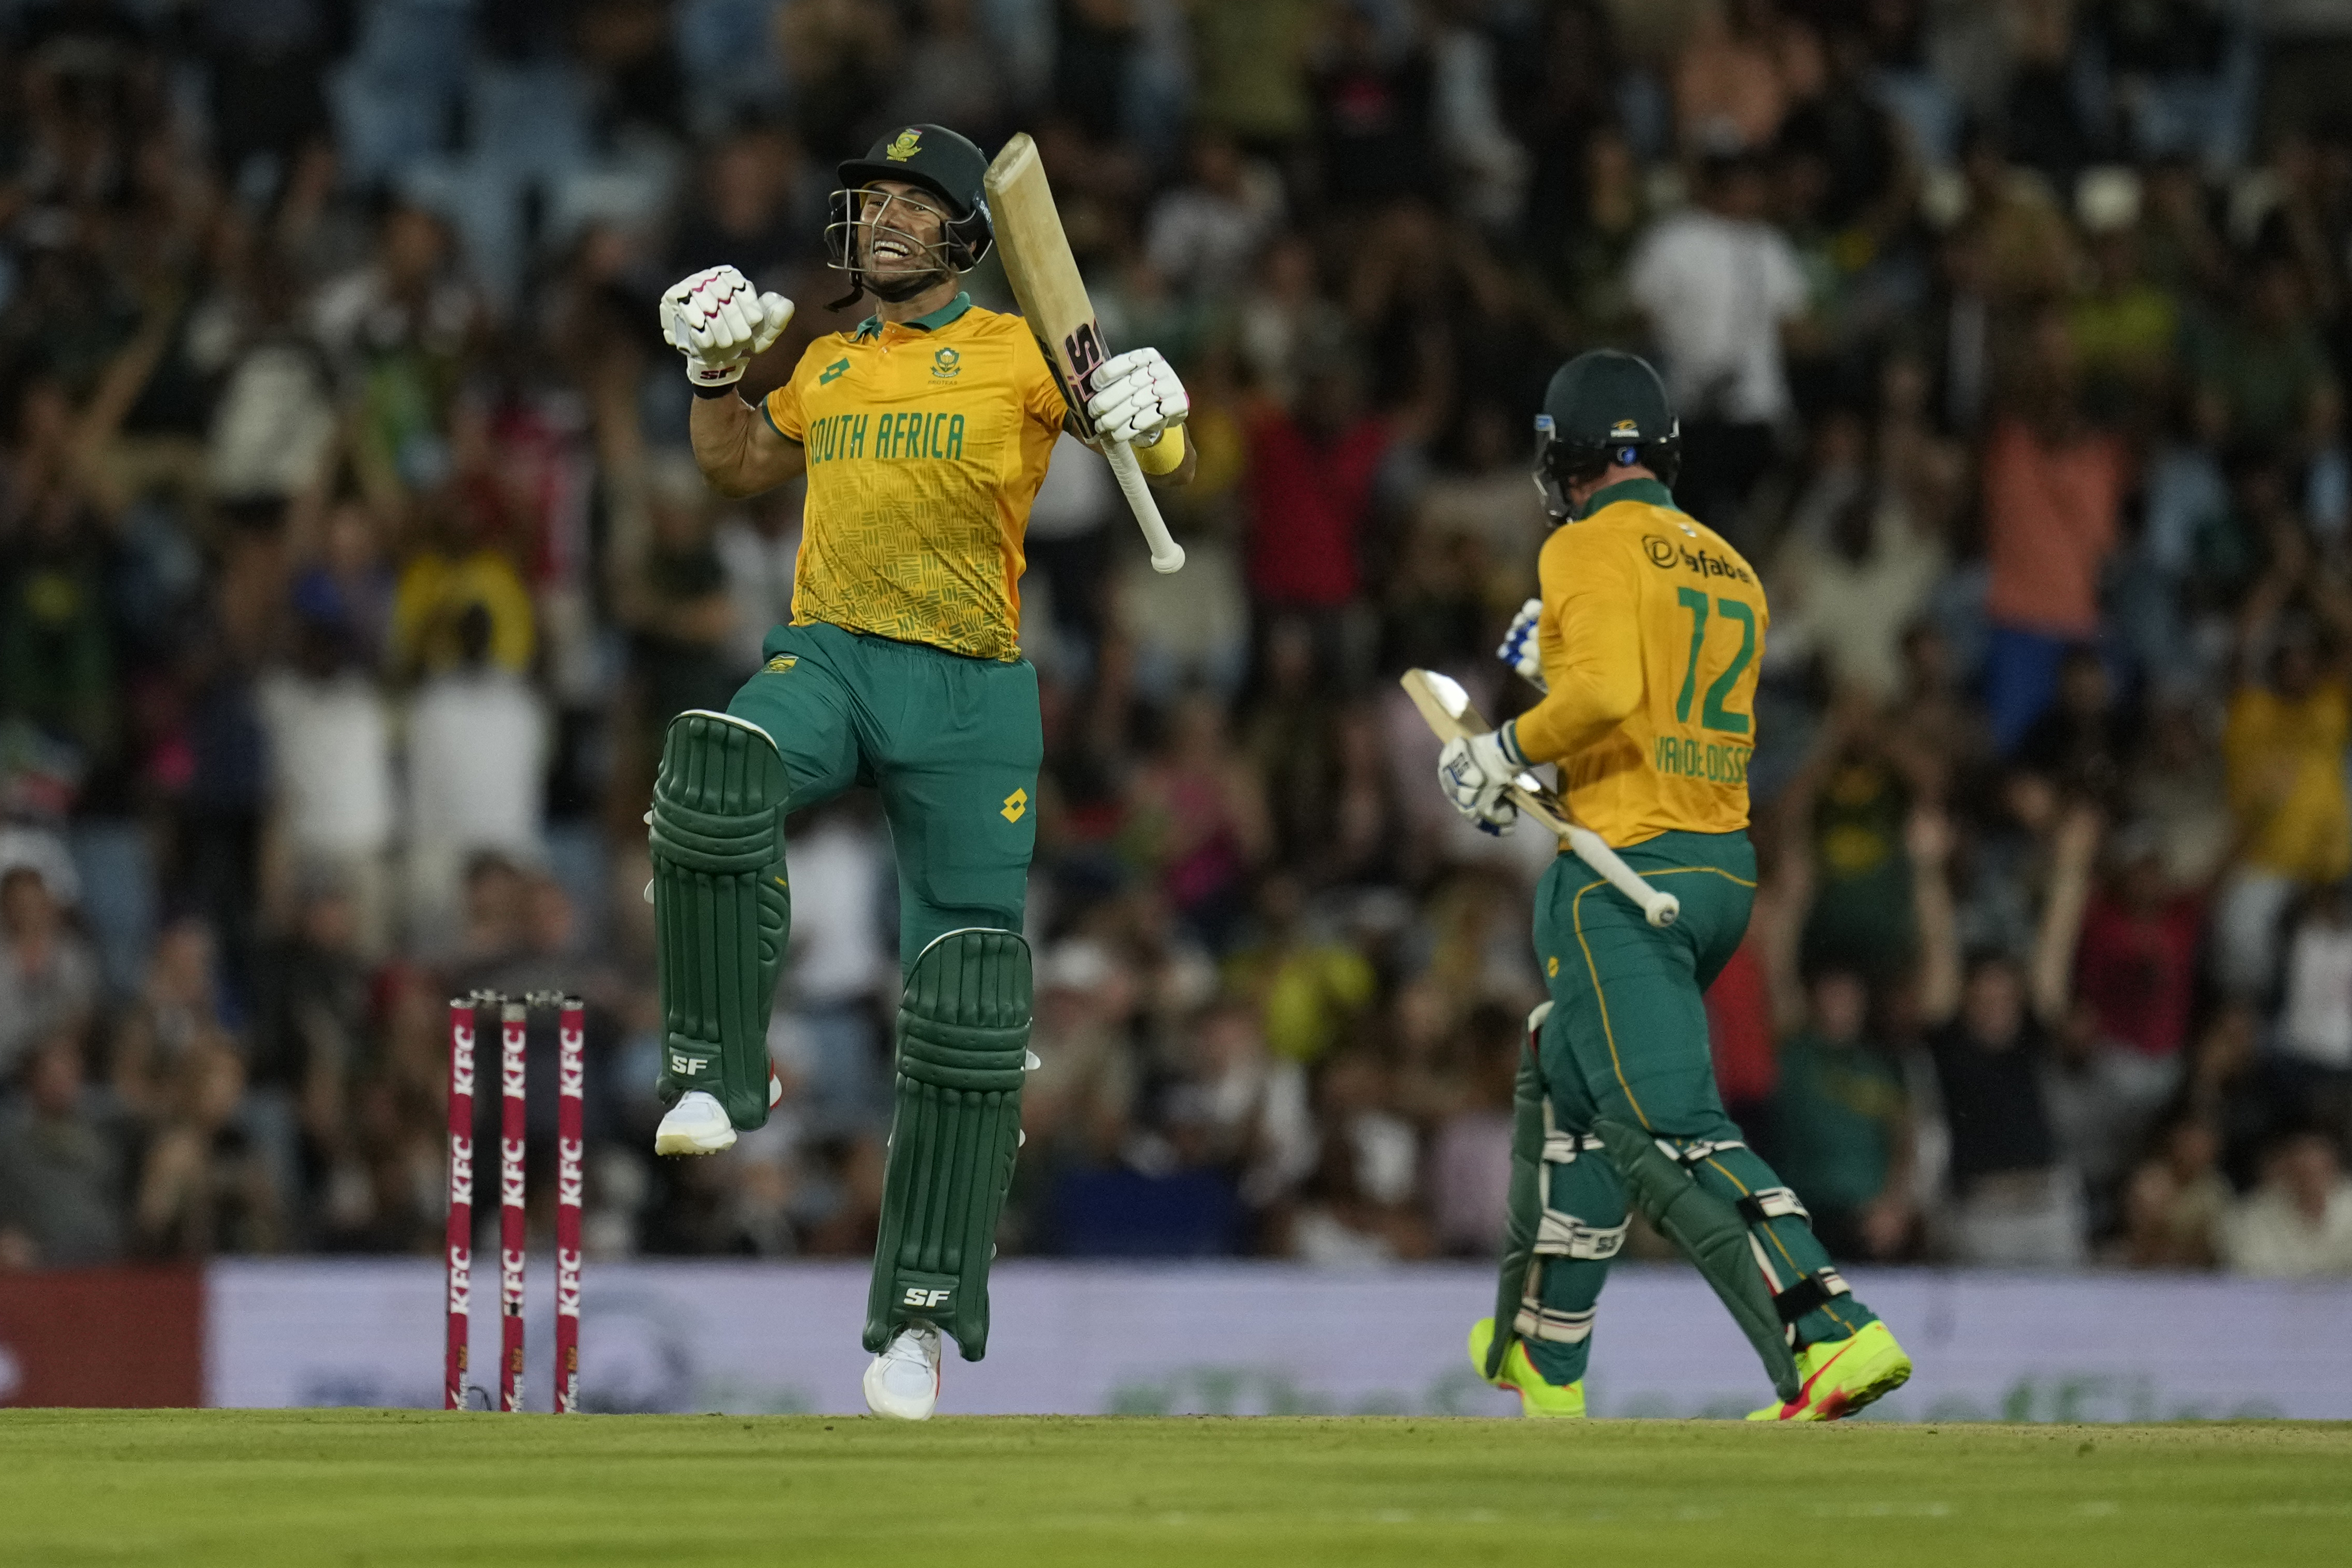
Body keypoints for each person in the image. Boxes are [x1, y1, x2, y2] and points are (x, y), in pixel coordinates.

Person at [648, 123, 1195, 1420]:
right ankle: (721, 1071)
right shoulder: (829, 364)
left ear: (964, 234)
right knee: (716, 766)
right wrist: (717, 374)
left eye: (912, 203)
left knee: (970, 1006)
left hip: (972, 690)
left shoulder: (1019, 348)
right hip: (833, 657)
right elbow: (732, 468)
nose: (883, 219)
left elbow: (1139, 442)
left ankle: (921, 1319)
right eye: (871, 200)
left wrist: (1160, 416)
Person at [1438, 350, 1910, 1422]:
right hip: (1717, 871)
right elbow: (1655, 703)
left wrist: (1503, 748)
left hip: (1621, 871)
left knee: (1664, 1124)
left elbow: (1606, 695)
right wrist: (1556, 678)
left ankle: (1831, 1332)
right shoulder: (1730, 565)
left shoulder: (1583, 546)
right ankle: (1541, 1352)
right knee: (1569, 1078)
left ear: (1568, 457)